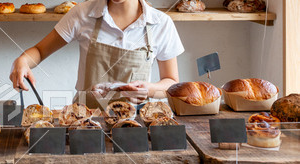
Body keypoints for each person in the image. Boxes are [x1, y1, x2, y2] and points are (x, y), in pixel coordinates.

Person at [10, 0, 184, 109]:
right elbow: (40, 51)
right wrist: (22, 61)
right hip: (85, 121)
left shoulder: (161, 23)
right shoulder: (83, 13)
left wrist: (150, 90)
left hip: (136, 124)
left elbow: (171, 83)